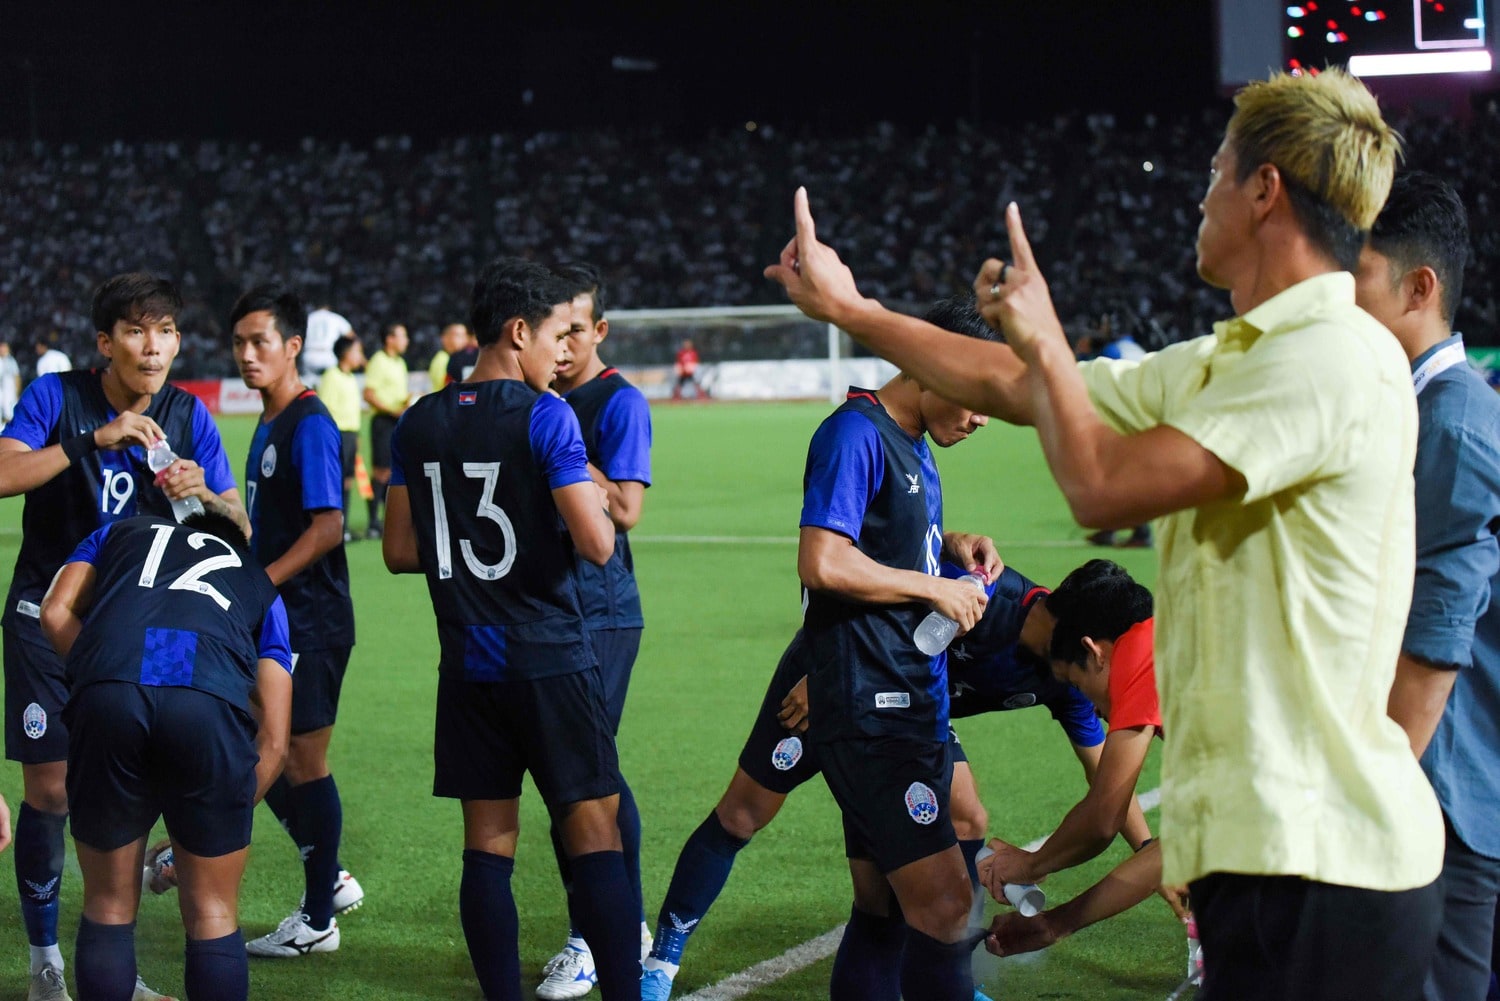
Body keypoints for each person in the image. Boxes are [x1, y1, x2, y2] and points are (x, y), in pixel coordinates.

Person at [766, 67, 1444, 1000]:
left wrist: (1044, 346)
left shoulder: (1327, 358)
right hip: (1266, 850)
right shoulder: (1229, 359)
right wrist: (854, 312)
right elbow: (1018, 387)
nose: (1199, 193)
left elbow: (1101, 484)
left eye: (1214, 170)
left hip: (1325, 863)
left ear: (1264, 188)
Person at [638, 552, 1153, 1001]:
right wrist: (831, 676)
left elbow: (1108, 779)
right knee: (742, 816)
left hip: (908, 723)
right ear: (1090, 647)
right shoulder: (982, 594)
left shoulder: (1068, 679)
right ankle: (662, 959)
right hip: (828, 683)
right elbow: (866, 587)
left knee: (964, 819)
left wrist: (1151, 856)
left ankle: (940, 976)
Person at [381, 258, 637, 1001]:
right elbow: (597, 543)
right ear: (517, 331)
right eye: (556, 336)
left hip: (466, 662)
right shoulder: (545, 414)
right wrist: (584, 487)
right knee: (595, 836)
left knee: (487, 848)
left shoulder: (419, 418)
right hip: (550, 658)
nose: (564, 354)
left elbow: (399, 550)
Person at [1, 272, 244, 1001]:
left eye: (166, 330)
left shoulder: (189, 414)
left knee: (137, 780)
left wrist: (204, 492)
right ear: (105, 342)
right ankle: (46, 960)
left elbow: (239, 527)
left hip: (144, 626)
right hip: (47, 611)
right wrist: (91, 441)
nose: (154, 344)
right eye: (137, 330)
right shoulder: (57, 398)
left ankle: (116, 960)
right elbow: (5, 472)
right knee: (50, 787)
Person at [752, 292, 999, 1001]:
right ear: (931, 367)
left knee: (884, 907)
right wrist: (932, 590)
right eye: (977, 397)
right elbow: (823, 561)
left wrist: (950, 553)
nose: (983, 417)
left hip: (904, 702)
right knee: (948, 905)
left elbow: (883, 543)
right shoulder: (853, 433)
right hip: (872, 711)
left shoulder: (913, 443)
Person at [37, 512, 292, 1001]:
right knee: (212, 911)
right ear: (236, 546)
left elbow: (53, 613)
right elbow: (276, 741)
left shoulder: (119, 530)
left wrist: (104, 676)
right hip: (205, 702)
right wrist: (198, 828)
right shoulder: (260, 583)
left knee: (108, 905)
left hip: (110, 685)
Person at [1354, 172, 1500, 1001]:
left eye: (1360, 278)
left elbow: (1440, 637)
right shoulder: (1437, 407)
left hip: (1441, 791)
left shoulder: (1448, 419)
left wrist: (1368, 795)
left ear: (1420, 288)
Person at [229, 283, 361, 958]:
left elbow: (330, 526)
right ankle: (327, 873)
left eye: (261, 342)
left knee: (300, 757)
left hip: (309, 618)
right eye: (240, 343)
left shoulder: (308, 422)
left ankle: (318, 916)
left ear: (291, 346)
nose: (249, 355)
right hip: (280, 617)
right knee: (266, 743)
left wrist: (261, 582)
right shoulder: (269, 418)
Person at [536, 263, 654, 1000]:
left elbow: (628, 510)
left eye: (576, 329)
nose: (565, 343)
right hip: (549, 610)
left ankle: (596, 934)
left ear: (599, 330)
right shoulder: (540, 399)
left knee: (579, 781)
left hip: (603, 612)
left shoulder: (620, 402)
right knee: (587, 773)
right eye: (556, 330)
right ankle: (622, 922)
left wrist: (563, 451)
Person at [980, 561, 1175, 963]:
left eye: (1075, 683)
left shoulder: (1144, 660)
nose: (1091, 707)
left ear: (1093, 651)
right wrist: (1053, 924)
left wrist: (1031, 864)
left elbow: (1103, 817)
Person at [362, 322, 410, 539]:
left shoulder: (400, 363)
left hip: (397, 420)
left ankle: (386, 519)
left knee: (393, 470)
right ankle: (373, 521)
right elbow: (369, 394)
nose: (406, 340)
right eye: (402, 336)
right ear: (390, 339)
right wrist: (392, 410)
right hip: (383, 421)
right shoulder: (378, 361)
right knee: (380, 472)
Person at [316, 335, 367, 540]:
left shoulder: (350, 377)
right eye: (357, 351)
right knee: (335, 482)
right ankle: (333, 527)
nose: (360, 356)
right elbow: (325, 410)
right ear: (346, 353)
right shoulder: (331, 376)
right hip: (337, 435)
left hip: (350, 435)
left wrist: (356, 436)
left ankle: (342, 527)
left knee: (347, 481)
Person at [302, 305, 353, 380]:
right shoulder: (334, 317)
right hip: (328, 355)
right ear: (328, 307)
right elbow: (351, 337)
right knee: (330, 382)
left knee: (309, 386)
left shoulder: (309, 318)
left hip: (309, 355)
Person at [428, 323, 468, 391]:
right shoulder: (442, 359)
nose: (464, 339)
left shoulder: (459, 359)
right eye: (459, 336)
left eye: (465, 335)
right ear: (445, 338)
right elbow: (447, 386)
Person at [1, 342, 21, 430]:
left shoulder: (11, 361)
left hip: (9, 393)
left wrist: (17, 393)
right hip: (1, 392)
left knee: (9, 415)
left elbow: (16, 377)